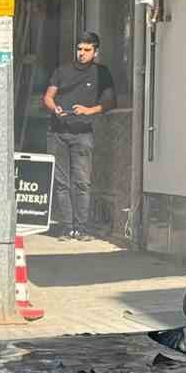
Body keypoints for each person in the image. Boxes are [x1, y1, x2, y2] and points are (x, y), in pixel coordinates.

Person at [43, 32, 115, 241]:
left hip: (83, 134)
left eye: (87, 50)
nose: (82, 53)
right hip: (57, 132)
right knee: (61, 182)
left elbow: (109, 102)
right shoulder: (62, 71)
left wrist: (88, 110)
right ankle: (67, 227)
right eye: (79, 49)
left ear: (95, 52)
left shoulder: (102, 73)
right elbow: (48, 96)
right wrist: (55, 108)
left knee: (82, 182)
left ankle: (81, 228)